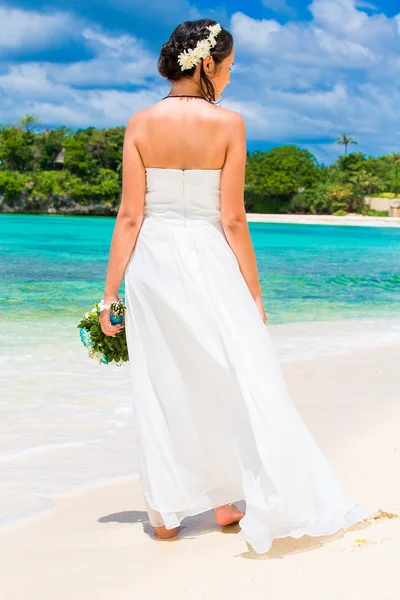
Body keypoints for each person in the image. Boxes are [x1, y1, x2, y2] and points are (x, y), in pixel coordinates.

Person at [99, 18, 368, 554]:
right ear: (205, 64)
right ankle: (225, 501)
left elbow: (129, 215)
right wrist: (255, 293)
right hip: (208, 259)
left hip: (153, 263)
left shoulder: (138, 123)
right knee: (224, 373)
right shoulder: (229, 125)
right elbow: (233, 219)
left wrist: (109, 295)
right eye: (228, 67)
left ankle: (166, 513)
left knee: (161, 379)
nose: (229, 77)